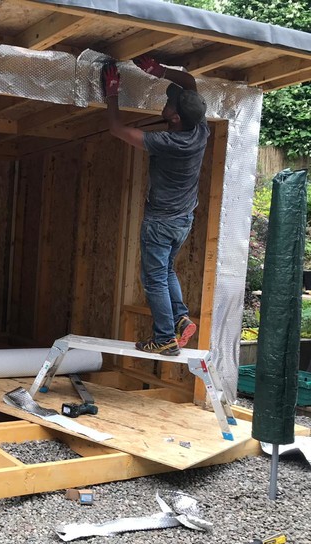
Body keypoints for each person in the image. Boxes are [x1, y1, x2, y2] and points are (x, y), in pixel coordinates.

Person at [101, 55, 209, 356]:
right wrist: (158, 71)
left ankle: (164, 339)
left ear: (174, 118)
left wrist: (111, 94)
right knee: (165, 271)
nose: (168, 100)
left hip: (161, 223)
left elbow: (117, 130)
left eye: (170, 103)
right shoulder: (199, 128)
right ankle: (179, 317)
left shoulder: (169, 143)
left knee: (154, 279)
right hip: (182, 221)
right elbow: (188, 83)